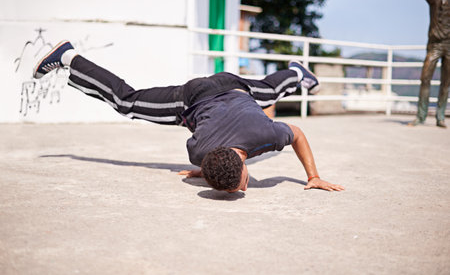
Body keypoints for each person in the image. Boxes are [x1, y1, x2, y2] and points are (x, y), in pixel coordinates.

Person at [34, 41, 344, 193]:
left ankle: (295, 73)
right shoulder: (198, 152)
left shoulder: (265, 135)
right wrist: (205, 169)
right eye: (242, 187)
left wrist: (313, 176)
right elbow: (299, 133)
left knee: (263, 92)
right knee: (126, 101)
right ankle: (69, 58)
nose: (245, 189)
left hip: (224, 90)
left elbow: (298, 134)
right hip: (213, 92)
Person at [410, 0, 450, 128]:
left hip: (449, 45)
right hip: (434, 45)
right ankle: (421, 116)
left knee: (446, 83)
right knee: (425, 78)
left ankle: (440, 117)